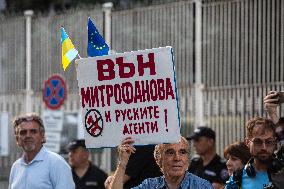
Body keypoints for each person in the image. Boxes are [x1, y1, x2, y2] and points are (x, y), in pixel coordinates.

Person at [109, 136, 213, 189]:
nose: (177, 158)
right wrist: (123, 162)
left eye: (182, 152)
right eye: (170, 152)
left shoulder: (202, 186)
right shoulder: (149, 185)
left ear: (187, 159)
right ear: (158, 160)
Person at [9, 113, 75, 189]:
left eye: (33, 131)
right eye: (23, 132)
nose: (28, 136)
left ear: (42, 136)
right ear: (17, 139)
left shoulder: (57, 163)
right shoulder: (16, 167)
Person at [225, 117, 277, 189]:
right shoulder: (236, 179)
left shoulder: (281, 174)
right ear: (247, 143)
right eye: (257, 142)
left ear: (275, 142)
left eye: (269, 142)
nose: (264, 147)